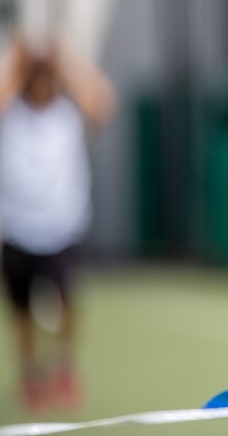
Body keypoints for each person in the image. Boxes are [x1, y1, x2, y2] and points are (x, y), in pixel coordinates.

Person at [0, 35, 117, 413]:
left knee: (67, 301)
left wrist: (64, 57)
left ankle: (64, 369)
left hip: (61, 225)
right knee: (21, 311)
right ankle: (31, 375)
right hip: (17, 228)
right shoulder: (11, 117)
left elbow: (103, 104)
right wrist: (15, 62)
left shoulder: (67, 114)